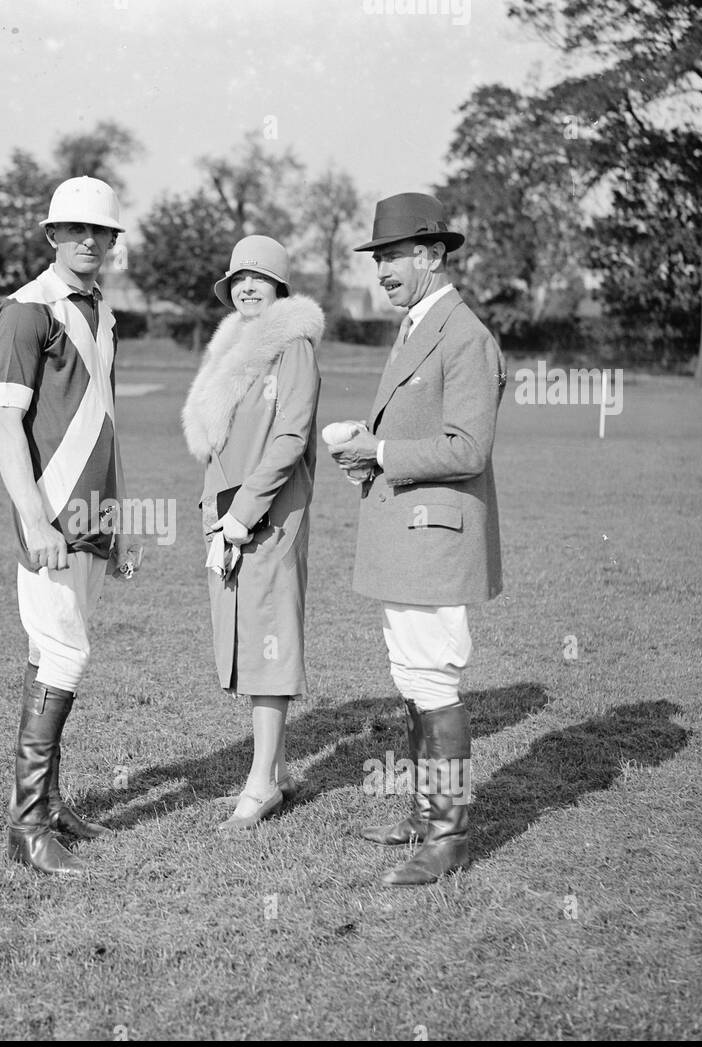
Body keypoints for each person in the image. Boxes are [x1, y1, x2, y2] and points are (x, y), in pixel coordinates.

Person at [328, 192, 505, 885]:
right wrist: (369, 455)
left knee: (432, 674)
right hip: (410, 530)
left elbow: (468, 447)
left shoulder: (464, 336)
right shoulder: (416, 327)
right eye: (379, 260)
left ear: (432, 255)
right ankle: (426, 817)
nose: (384, 272)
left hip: (435, 533)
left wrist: (380, 453)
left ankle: (447, 837)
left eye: (394, 257)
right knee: (412, 671)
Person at [0, 176, 142, 876]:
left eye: (100, 231)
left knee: (54, 656)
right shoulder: (28, 310)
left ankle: (48, 806)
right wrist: (34, 516)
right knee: (66, 656)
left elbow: (104, 422)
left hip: (92, 516)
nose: (88, 240)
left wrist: (118, 518)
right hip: (50, 517)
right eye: (75, 229)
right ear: (52, 235)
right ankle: (26, 826)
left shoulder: (103, 311)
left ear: (113, 241)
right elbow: (3, 423)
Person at [181, 235, 324, 833]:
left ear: (280, 288)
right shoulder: (232, 349)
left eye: (260, 278)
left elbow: (290, 438)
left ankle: (261, 784)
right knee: (248, 638)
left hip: (266, 515)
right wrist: (221, 514)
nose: (246, 286)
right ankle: (279, 770)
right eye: (239, 276)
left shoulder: (292, 347)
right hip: (229, 514)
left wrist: (244, 514)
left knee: (268, 641)